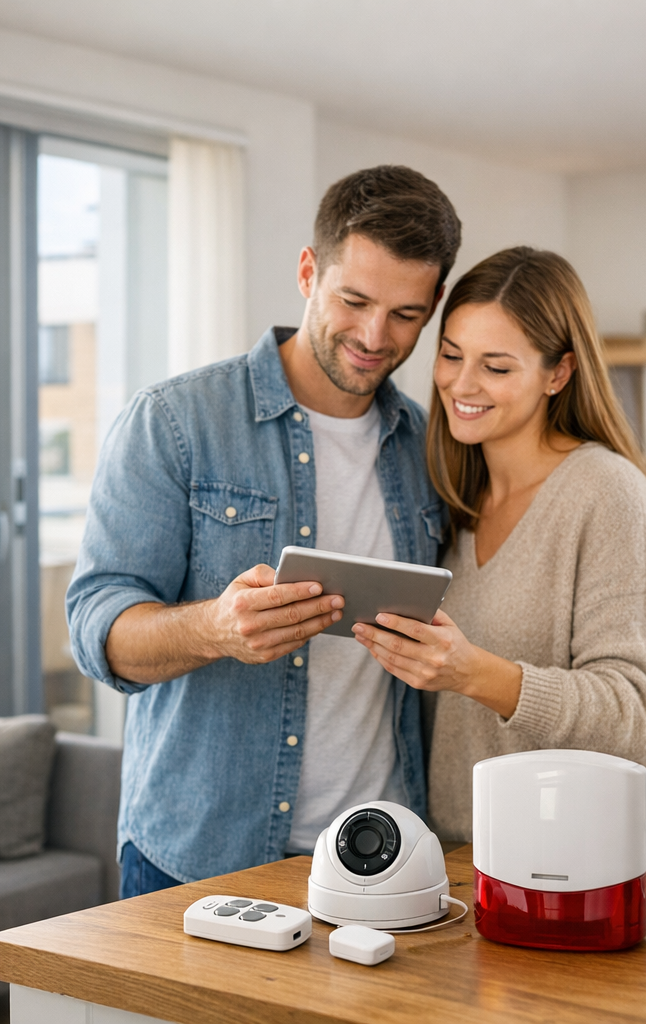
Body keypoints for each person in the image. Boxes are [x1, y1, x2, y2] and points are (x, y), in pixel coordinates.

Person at [66, 166, 462, 896]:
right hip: (198, 854)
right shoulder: (175, 422)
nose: (376, 337)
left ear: (434, 302)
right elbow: (97, 629)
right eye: (354, 300)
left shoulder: (426, 445)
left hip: (383, 856)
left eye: (407, 314)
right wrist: (212, 628)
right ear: (309, 272)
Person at [351, 247, 646, 865]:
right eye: (451, 355)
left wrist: (475, 674)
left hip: (582, 871)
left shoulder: (607, 495)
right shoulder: (449, 496)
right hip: (462, 865)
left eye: (495, 367)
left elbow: (639, 711)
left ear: (558, 374)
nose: (461, 384)